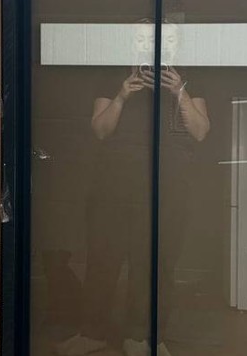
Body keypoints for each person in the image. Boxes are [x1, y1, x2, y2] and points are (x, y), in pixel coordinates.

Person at [57, 65, 210, 356]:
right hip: (113, 183)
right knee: (102, 256)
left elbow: (200, 132)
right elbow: (100, 130)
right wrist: (122, 96)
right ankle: (92, 333)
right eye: (140, 42)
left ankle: (143, 337)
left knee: (155, 261)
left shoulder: (188, 78)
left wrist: (179, 90)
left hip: (167, 184)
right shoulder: (113, 75)